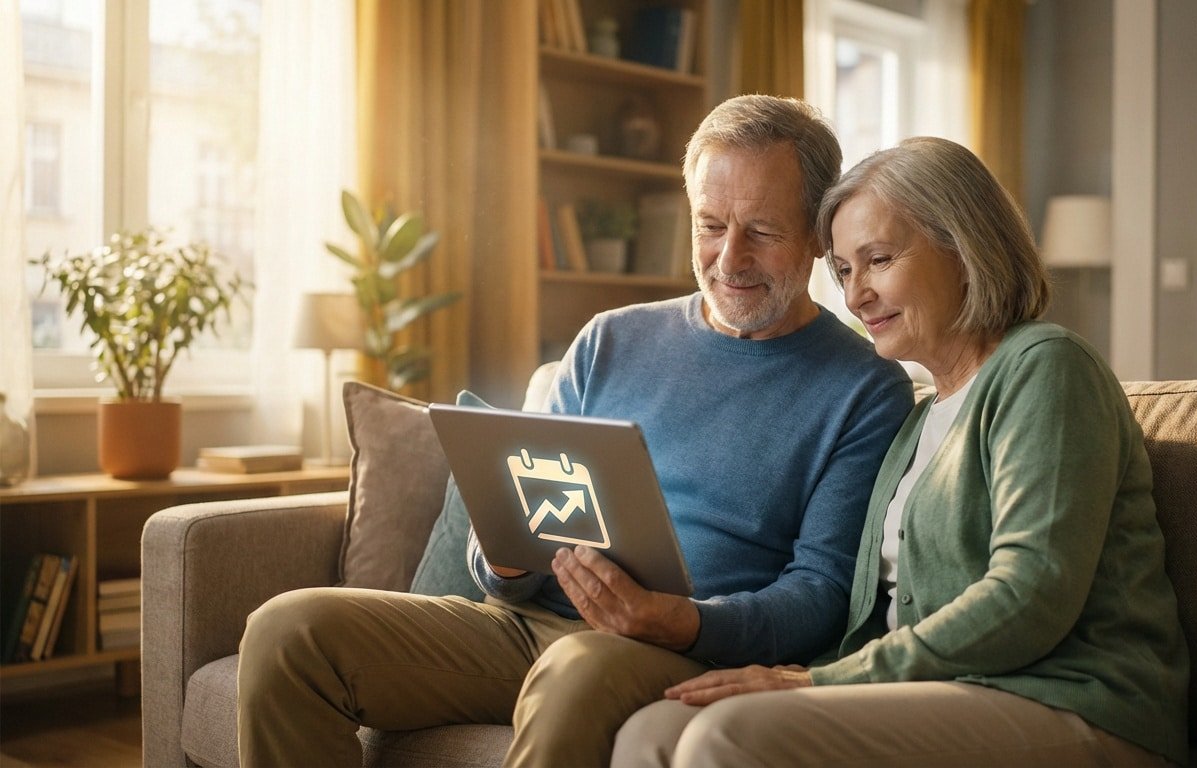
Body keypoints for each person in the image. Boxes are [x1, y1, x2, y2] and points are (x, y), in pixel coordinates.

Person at [235, 95, 915, 767]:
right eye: (710, 225)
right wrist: (501, 559)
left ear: (818, 235)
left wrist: (681, 620)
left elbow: (822, 595)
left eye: (761, 231)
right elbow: (507, 535)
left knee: (577, 669)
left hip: (671, 648)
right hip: (524, 627)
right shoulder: (611, 340)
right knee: (289, 632)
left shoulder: (863, 388)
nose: (728, 257)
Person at [611, 137, 1190, 768]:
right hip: (937, 694)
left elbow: (1031, 595)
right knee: (655, 730)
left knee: (727, 736)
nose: (856, 295)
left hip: (1076, 701)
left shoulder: (1045, 368)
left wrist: (815, 683)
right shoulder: (917, 422)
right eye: (843, 270)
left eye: (879, 260)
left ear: (966, 247)